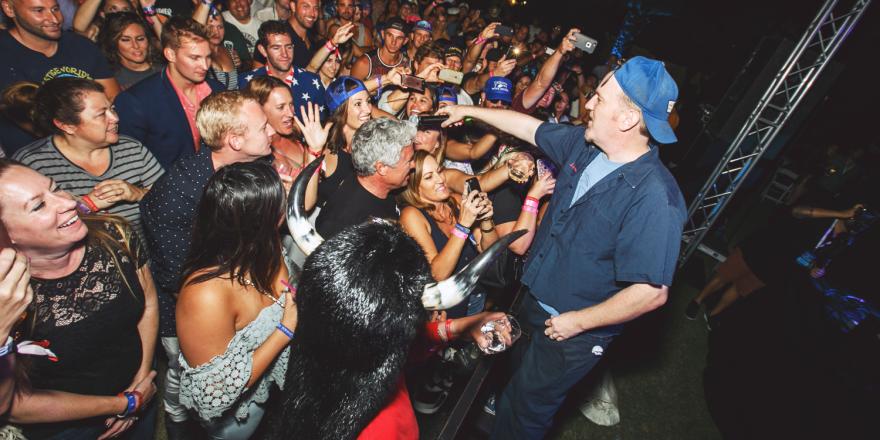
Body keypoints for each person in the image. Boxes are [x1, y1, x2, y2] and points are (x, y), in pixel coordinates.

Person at [438, 56, 687, 439]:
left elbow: (651, 292)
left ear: (626, 120)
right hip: (530, 301)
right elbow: (528, 127)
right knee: (505, 390)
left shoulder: (656, 198)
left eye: (599, 99)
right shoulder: (585, 147)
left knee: (525, 416)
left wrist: (578, 322)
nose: (587, 104)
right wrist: (466, 110)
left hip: (570, 333)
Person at [139, 91, 275, 439]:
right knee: (182, 380)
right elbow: (176, 277)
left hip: (240, 298)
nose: (272, 131)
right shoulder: (178, 195)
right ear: (235, 140)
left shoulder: (251, 168)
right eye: (263, 127)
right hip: (186, 313)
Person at [0, 160, 159, 440]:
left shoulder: (115, 234)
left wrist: (140, 382)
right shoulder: (6, 297)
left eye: (56, 188)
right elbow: (14, 404)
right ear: (6, 236)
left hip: (140, 393)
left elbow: (147, 304)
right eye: (39, 206)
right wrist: (123, 404)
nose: (68, 202)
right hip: (66, 428)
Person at [176, 161, 296, 439]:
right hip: (238, 419)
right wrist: (285, 330)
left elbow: (282, 289)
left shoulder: (268, 244)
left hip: (274, 395)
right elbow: (217, 393)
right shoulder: (205, 295)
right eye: (280, 198)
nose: (286, 200)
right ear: (259, 220)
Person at [12, 77, 164, 241]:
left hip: (143, 261)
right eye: (101, 114)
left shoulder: (131, 148)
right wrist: (85, 206)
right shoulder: (32, 165)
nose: (115, 118)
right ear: (67, 126)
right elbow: (25, 231)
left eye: (112, 109)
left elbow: (170, 201)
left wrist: (139, 193)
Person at [114, 16, 224, 169]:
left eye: (208, 57)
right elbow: (128, 163)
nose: (205, 66)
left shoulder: (217, 90)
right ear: (170, 55)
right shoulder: (137, 101)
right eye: (195, 58)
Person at [315, 116, 415, 238]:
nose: (413, 165)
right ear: (382, 168)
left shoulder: (379, 187)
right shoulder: (345, 224)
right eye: (409, 161)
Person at [0, 0, 120, 98]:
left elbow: (113, 98)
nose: (54, 19)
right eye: (39, 11)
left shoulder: (81, 46)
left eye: (55, 9)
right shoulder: (5, 54)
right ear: (9, 9)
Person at [239, 20, 327, 120]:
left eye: (289, 47)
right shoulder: (247, 83)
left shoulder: (311, 83)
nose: (285, 54)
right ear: (263, 50)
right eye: (276, 48)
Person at [97, 12, 163, 90]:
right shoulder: (108, 77)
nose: (136, 46)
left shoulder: (164, 70)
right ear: (113, 43)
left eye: (140, 39)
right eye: (126, 40)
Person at [350, 16, 409, 80]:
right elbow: (350, 89)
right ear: (383, 34)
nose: (393, 42)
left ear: (405, 41)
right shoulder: (365, 63)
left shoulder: (407, 65)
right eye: (390, 35)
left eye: (399, 38)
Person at [203, 12, 242, 90]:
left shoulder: (230, 52)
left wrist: (241, 66)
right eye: (210, 27)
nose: (216, 32)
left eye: (220, 27)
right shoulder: (200, 55)